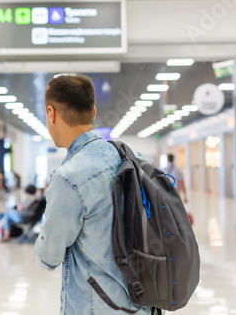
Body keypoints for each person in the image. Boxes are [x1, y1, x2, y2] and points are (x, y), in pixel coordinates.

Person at [34, 73, 150, 314]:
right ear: (93, 112)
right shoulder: (138, 159)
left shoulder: (68, 178)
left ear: (51, 112)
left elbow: (48, 258)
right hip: (144, 304)